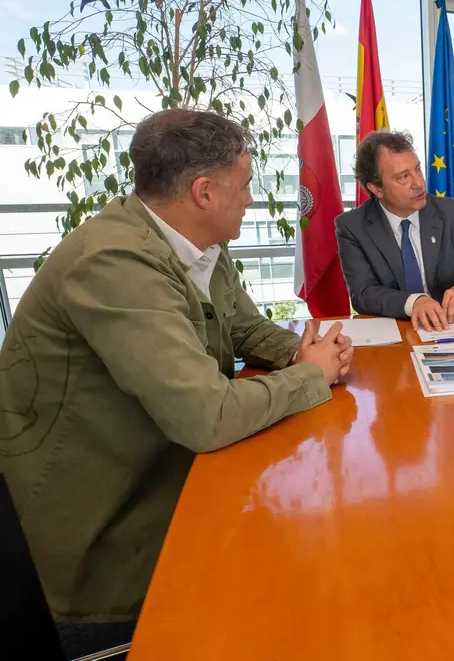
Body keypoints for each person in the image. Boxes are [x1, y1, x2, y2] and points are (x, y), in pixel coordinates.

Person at [0, 109, 353, 646]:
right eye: (245, 185)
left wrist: (306, 352)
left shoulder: (199, 239)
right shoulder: (115, 263)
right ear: (204, 192)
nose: (252, 200)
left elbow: (242, 326)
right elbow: (205, 416)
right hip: (104, 542)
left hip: (166, 476)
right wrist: (308, 377)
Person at [336, 131, 454, 332]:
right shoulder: (352, 226)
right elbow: (363, 294)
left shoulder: (453, 213)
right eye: (404, 177)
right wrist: (413, 302)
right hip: (395, 336)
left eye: (418, 170)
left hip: (452, 330)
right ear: (377, 189)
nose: (419, 183)